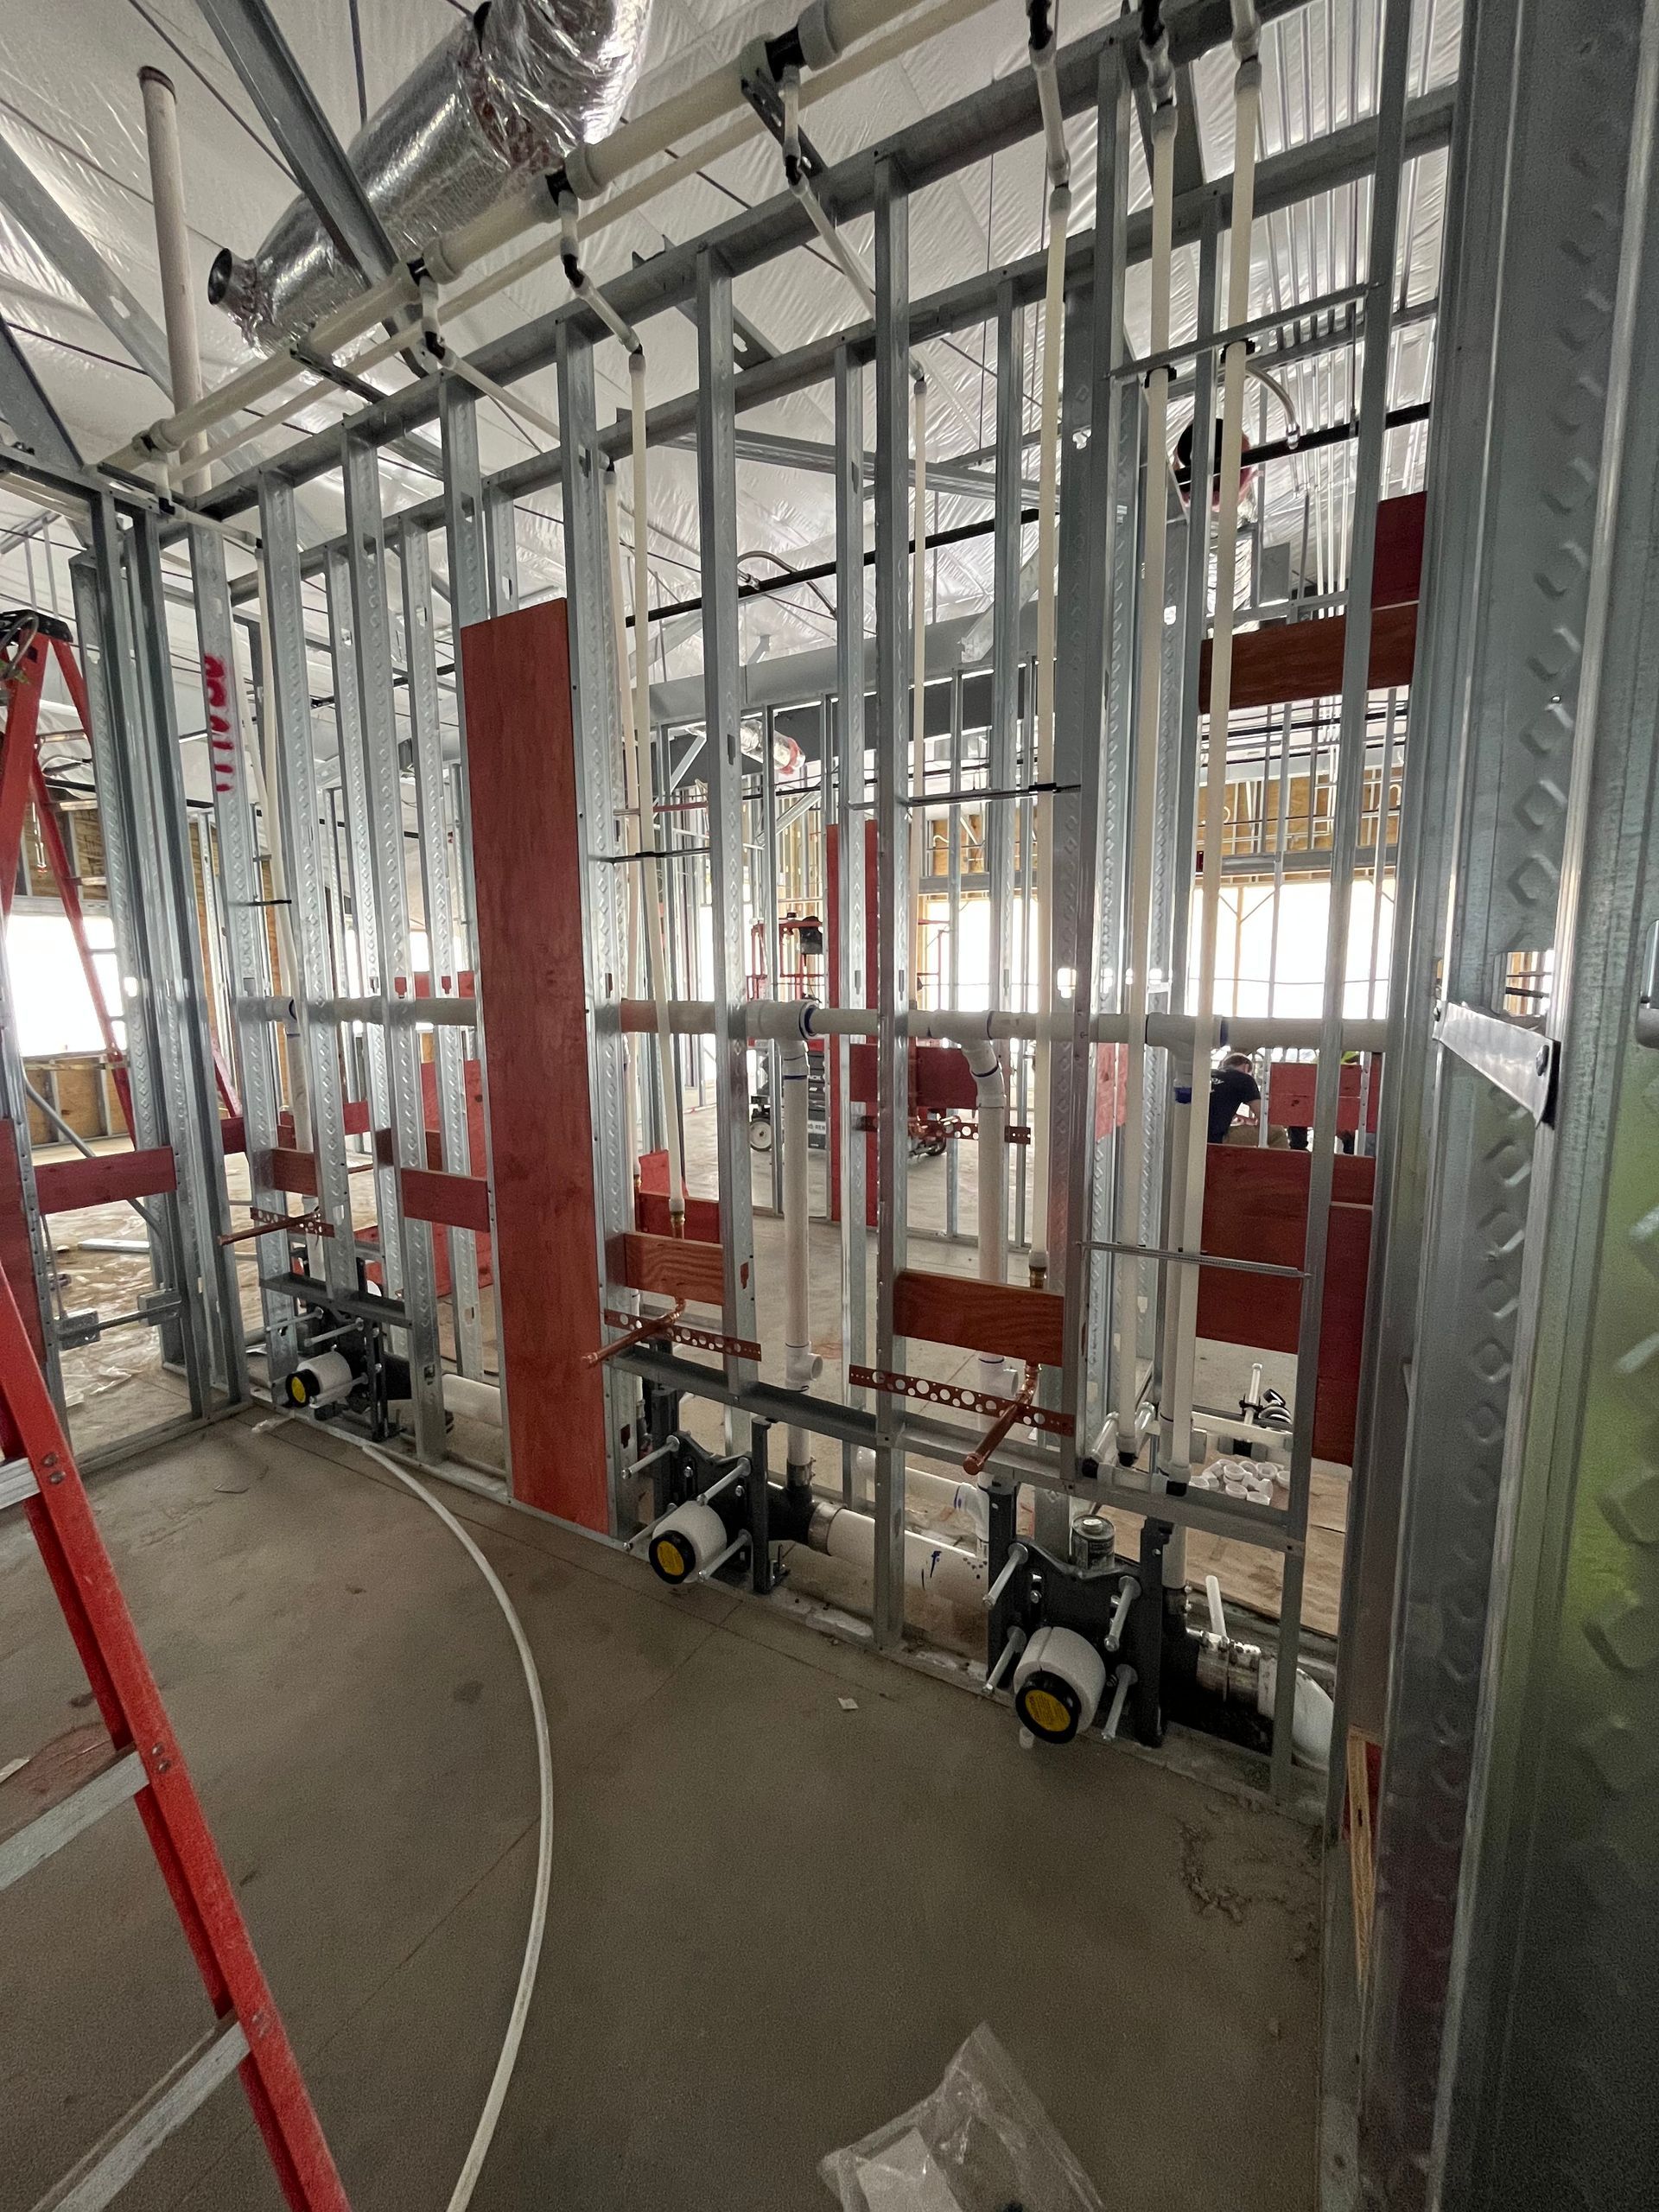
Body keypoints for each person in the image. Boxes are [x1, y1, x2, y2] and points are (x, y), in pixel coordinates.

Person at [1208, 1050, 1261, 1144]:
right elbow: (1262, 1115)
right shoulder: (1245, 1079)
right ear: (1246, 1067)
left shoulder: (1209, 1073)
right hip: (1216, 1138)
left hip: (1195, 1133)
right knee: (1278, 1132)